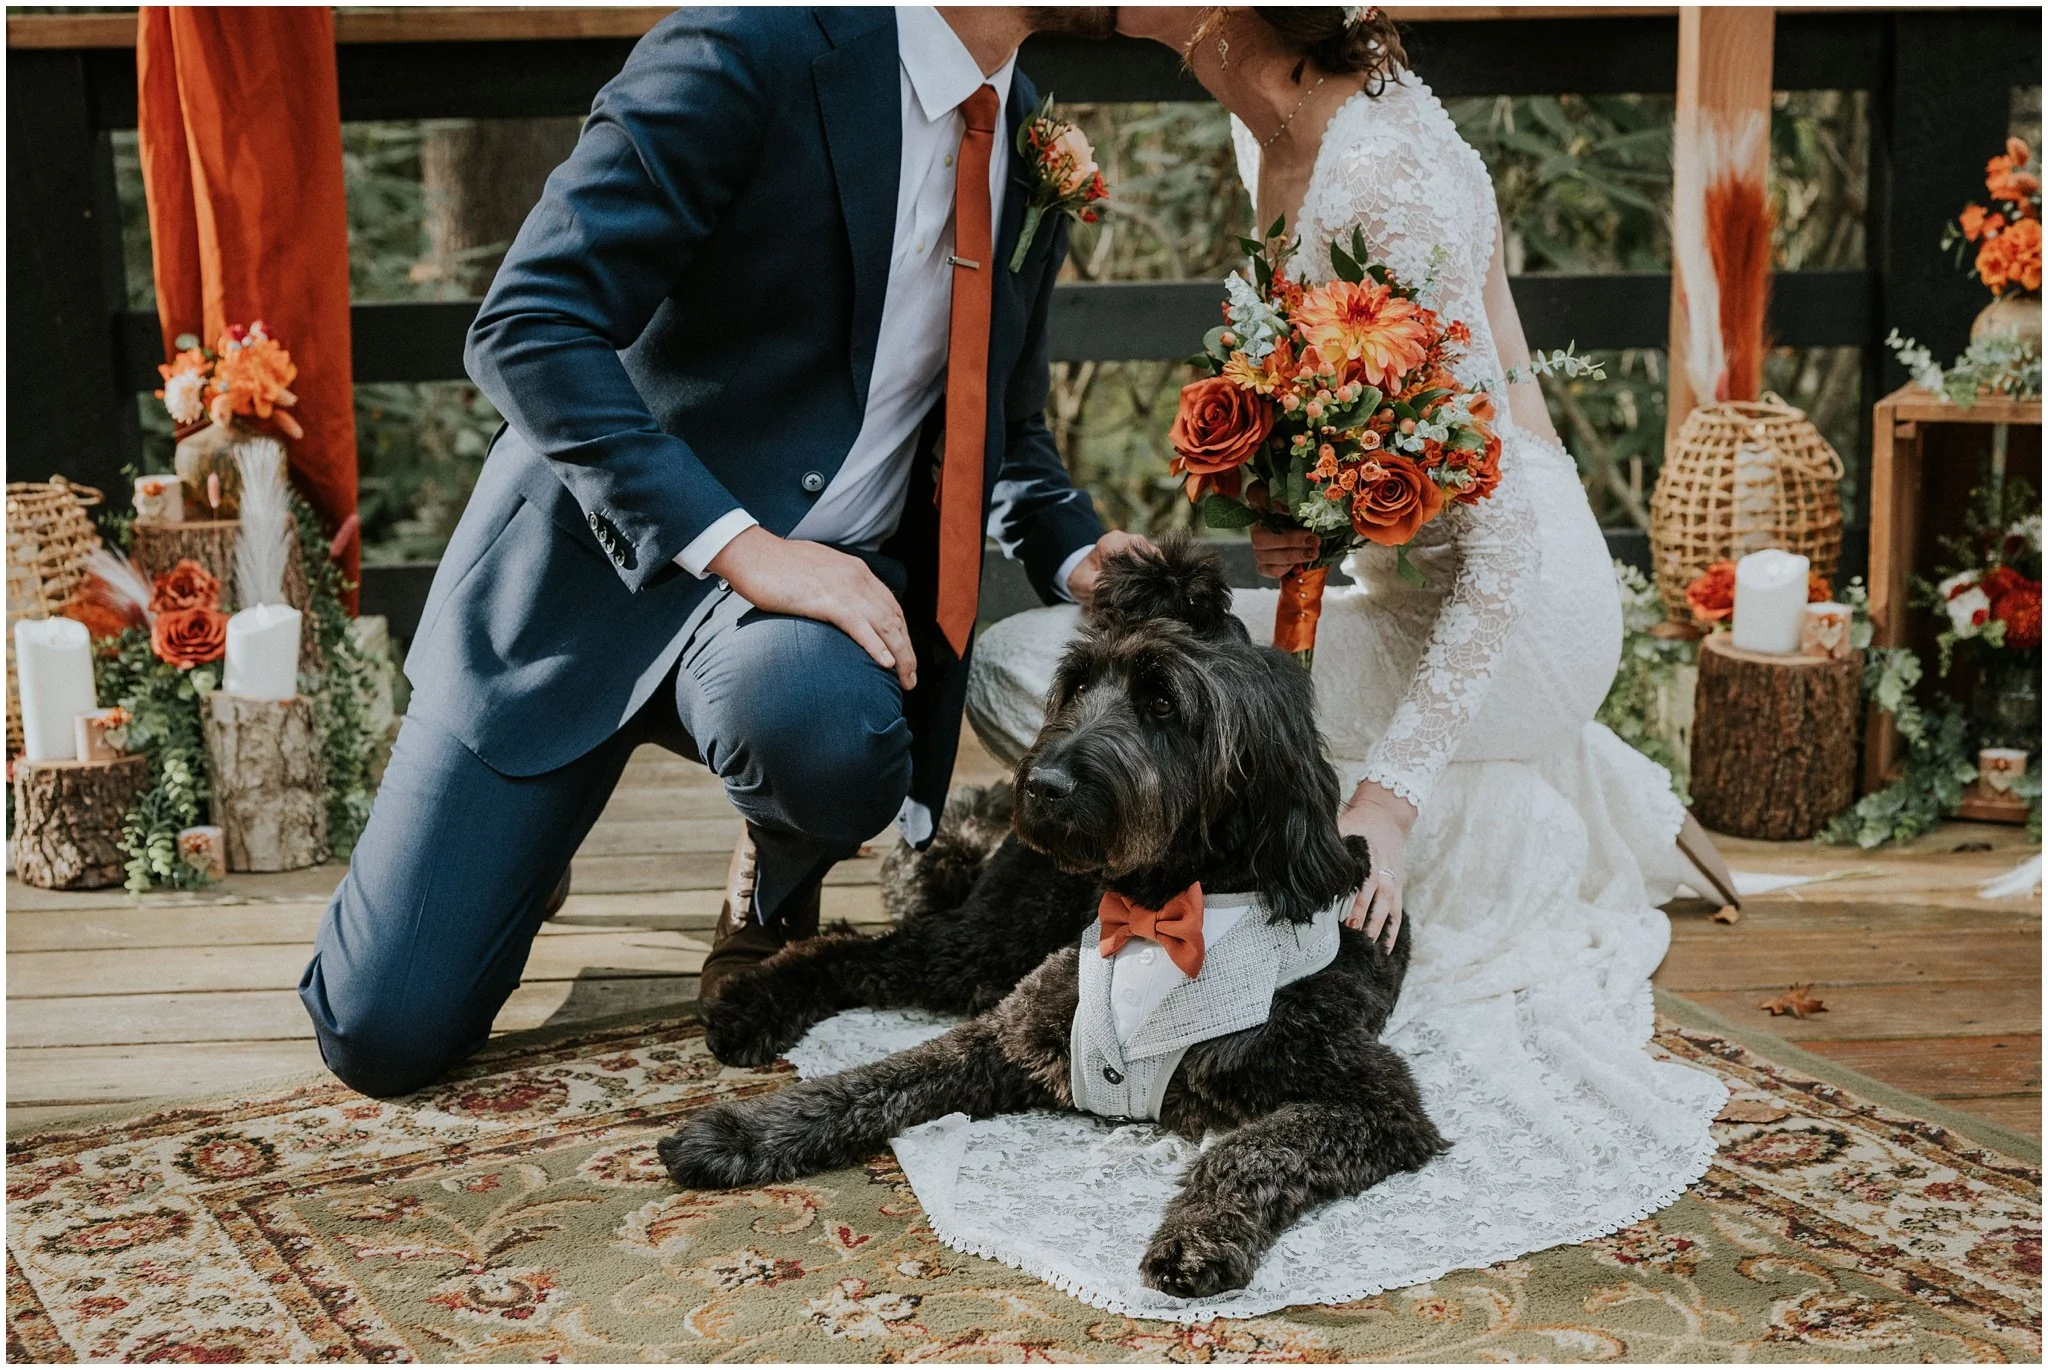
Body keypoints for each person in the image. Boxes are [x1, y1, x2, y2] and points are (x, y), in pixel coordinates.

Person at [955, 5, 1730, 1297]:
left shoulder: (1377, 176)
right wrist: (1310, 509)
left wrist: (1393, 788)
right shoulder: (1296, 122)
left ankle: (1442, 790)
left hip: (1509, 596)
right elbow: (1509, 372)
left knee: (1027, 661)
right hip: (1407, 579)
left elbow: (1498, 546)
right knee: (1068, 651)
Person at [298, 5, 1150, 1098]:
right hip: (577, 590)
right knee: (380, 1035)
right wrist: (740, 544)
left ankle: (774, 859)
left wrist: (1076, 551)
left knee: (830, 738)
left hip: (800, 631)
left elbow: (1000, 424)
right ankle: (516, 841)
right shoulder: (749, 46)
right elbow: (529, 323)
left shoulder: (1021, 127)